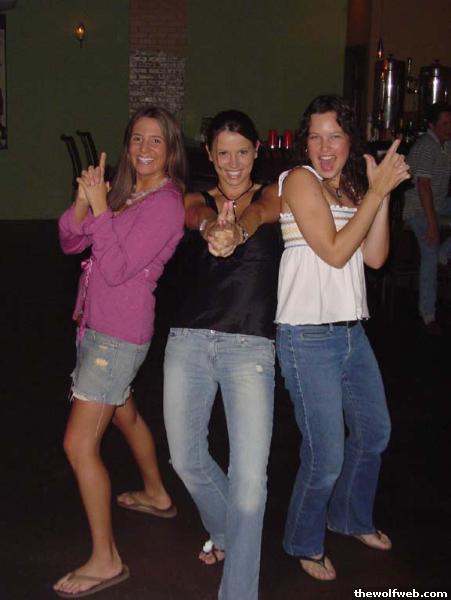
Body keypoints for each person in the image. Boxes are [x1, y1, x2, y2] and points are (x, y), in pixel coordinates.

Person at [275, 95, 410, 581]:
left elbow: (373, 257)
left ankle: (350, 517)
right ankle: (303, 540)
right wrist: (376, 194)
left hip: (352, 333)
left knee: (374, 433)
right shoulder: (299, 180)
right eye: (315, 136)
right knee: (325, 455)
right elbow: (334, 252)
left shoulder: (351, 189)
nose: (324, 146)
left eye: (334, 135)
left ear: (351, 141)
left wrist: (380, 193)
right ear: (304, 143)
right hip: (306, 337)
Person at [53, 106, 186, 598]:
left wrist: (101, 209)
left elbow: (114, 268)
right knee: (124, 414)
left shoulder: (166, 205)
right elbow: (71, 242)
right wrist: (83, 203)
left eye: (156, 141)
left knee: (78, 444)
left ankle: (106, 559)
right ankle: (155, 492)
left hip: (117, 336)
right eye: (137, 139)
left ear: (170, 149)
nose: (144, 149)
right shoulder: (128, 192)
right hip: (97, 327)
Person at [163, 110, 282, 600]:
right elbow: (194, 214)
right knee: (185, 458)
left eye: (242, 151)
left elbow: (262, 213)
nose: (233, 163)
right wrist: (214, 225)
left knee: (249, 483)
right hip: (188, 342)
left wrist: (239, 231)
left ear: (256, 151)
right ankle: (231, 534)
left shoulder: (274, 194)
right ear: (210, 156)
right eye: (223, 153)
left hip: (249, 347)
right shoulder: (195, 198)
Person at [403, 102, 451, 335]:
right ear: (432, 125)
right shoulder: (426, 146)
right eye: (445, 123)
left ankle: (445, 252)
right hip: (418, 209)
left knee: (437, 250)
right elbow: (423, 187)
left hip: (439, 204)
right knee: (430, 252)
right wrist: (433, 224)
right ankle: (428, 314)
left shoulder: (447, 145)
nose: (449, 127)